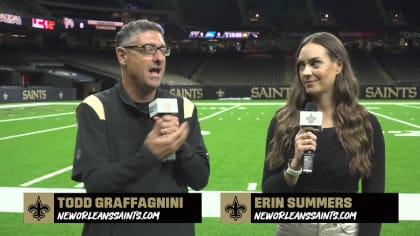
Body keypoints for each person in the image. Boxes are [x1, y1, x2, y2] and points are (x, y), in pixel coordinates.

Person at [71, 19, 210, 236]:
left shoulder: (184, 108)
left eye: (163, 50)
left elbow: (200, 179)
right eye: (147, 49)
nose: (158, 57)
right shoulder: (96, 108)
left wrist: (179, 146)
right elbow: (95, 186)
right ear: (122, 55)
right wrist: (149, 155)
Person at [261, 32, 385, 236]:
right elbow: (269, 192)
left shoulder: (366, 124)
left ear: (339, 66)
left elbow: (374, 199)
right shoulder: (282, 122)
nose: (306, 72)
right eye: (301, 65)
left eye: (315, 63)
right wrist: (294, 167)